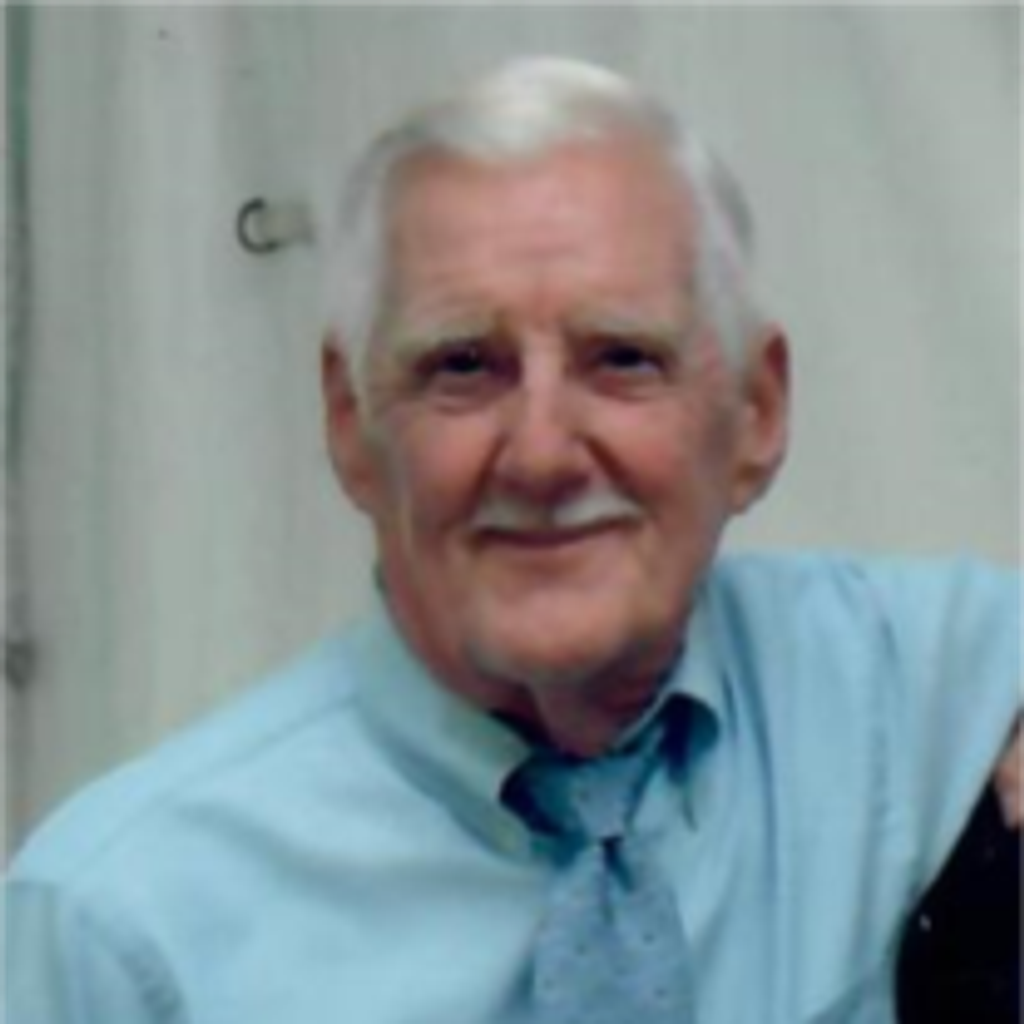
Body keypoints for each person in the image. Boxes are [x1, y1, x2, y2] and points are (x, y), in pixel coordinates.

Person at [1, 57, 1021, 1024]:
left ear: (755, 412)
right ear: (351, 425)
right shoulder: (120, 930)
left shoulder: (893, 680)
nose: (540, 455)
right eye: (462, 366)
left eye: (622, 358)